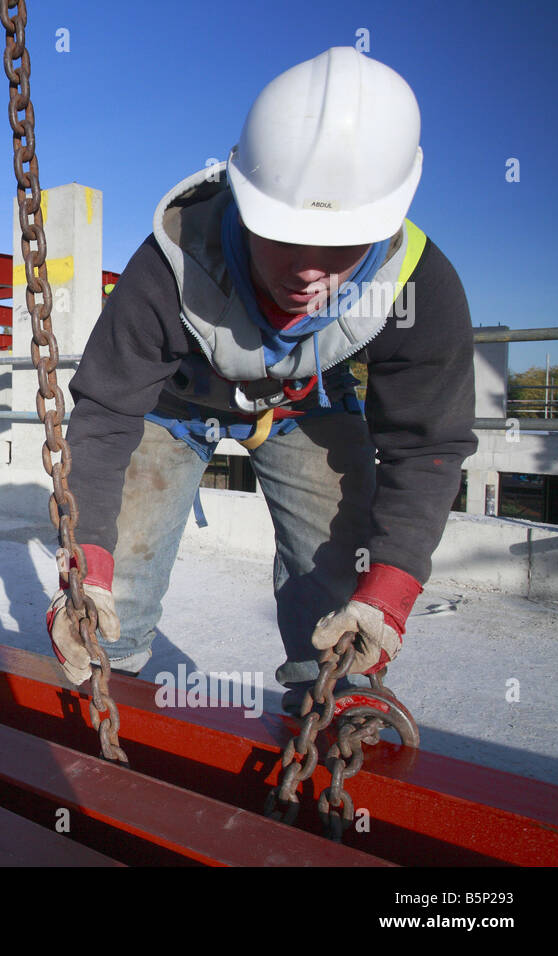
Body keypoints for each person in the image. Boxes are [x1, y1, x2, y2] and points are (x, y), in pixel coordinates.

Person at [45, 46, 476, 712]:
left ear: (384, 225)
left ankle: (330, 712)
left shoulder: (418, 285)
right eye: (283, 235)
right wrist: (87, 570)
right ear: (242, 201)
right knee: (114, 588)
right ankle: (112, 692)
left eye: (338, 246)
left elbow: (429, 449)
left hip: (307, 403)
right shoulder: (171, 264)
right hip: (174, 400)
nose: (309, 271)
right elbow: (104, 415)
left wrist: (387, 594)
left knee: (340, 586)